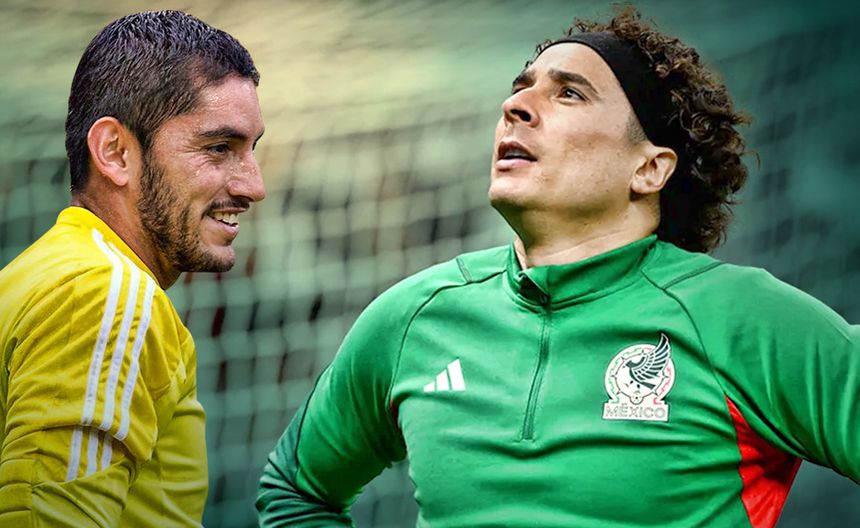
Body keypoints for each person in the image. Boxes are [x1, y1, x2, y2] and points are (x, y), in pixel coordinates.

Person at [256, 6, 858, 528]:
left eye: (569, 93)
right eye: (521, 88)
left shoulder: (742, 318)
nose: (514, 105)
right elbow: (295, 490)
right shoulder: (414, 316)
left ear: (649, 169)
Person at [0, 10, 265, 527]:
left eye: (252, 149)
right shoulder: (107, 295)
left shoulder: (37, 273)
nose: (254, 185)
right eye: (219, 148)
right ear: (115, 152)